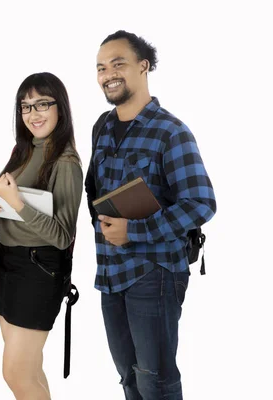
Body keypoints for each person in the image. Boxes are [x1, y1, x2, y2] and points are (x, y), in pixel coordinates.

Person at [85, 30, 217, 399]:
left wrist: (134, 232)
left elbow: (201, 203)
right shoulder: (102, 126)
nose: (108, 73)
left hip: (155, 274)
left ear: (143, 67)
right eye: (100, 67)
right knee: (128, 377)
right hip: (111, 273)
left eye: (118, 63)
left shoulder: (170, 132)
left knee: (155, 380)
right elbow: (95, 190)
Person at [0, 72, 83, 400]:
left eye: (42, 104)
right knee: (30, 370)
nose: (33, 114)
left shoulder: (65, 162)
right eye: (25, 107)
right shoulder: (23, 151)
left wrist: (17, 202)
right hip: (9, 265)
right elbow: (14, 219)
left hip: (38, 271)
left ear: (60, 109)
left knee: (15, 372)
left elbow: (62, 236)